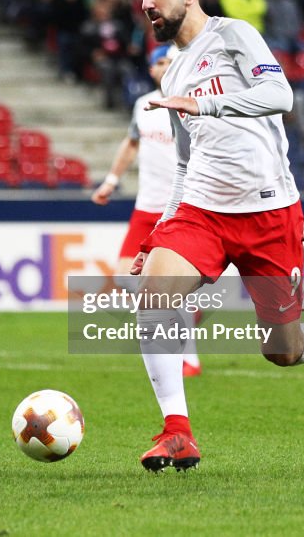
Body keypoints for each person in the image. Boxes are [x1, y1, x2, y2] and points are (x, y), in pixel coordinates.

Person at [130, 0, 304, 473]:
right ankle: (176, 432)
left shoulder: (232, 35)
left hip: (269, 213)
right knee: (153, 297)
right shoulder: (173, 78)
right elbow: (185, 167)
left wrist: (206, 103)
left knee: (280, 350)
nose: (146, 1)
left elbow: (279, 94)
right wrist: (157, 236)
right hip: (204, 212)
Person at [90, 44, 200, 376]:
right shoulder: (143, 105)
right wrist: (111, 180)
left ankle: (189, 358)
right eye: (161, 62)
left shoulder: (192, 105)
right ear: (151, 69)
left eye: (171, 61)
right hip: (146, 206)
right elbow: (132, 143)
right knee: (125, 277)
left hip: (180, 207)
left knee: (169, 285)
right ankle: (179, 311)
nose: (166, 67)